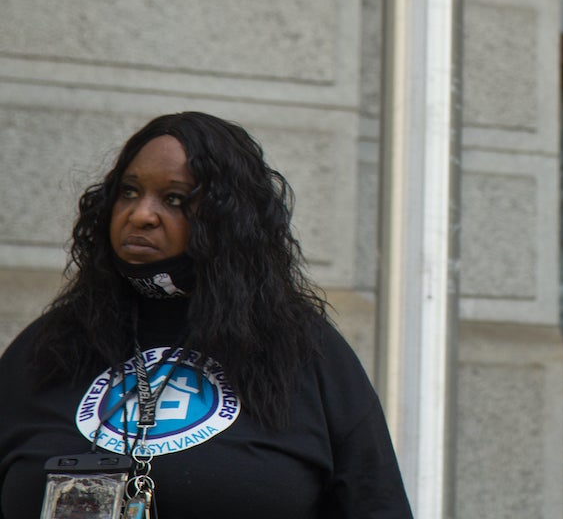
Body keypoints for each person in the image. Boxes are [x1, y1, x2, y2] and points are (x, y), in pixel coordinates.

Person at [0, 112, 414, 519]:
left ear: (228, 221)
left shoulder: (304, 352)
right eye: (128, 192)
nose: (141, 214)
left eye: (175, 199)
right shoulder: (44, 350)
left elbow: (377, 502)